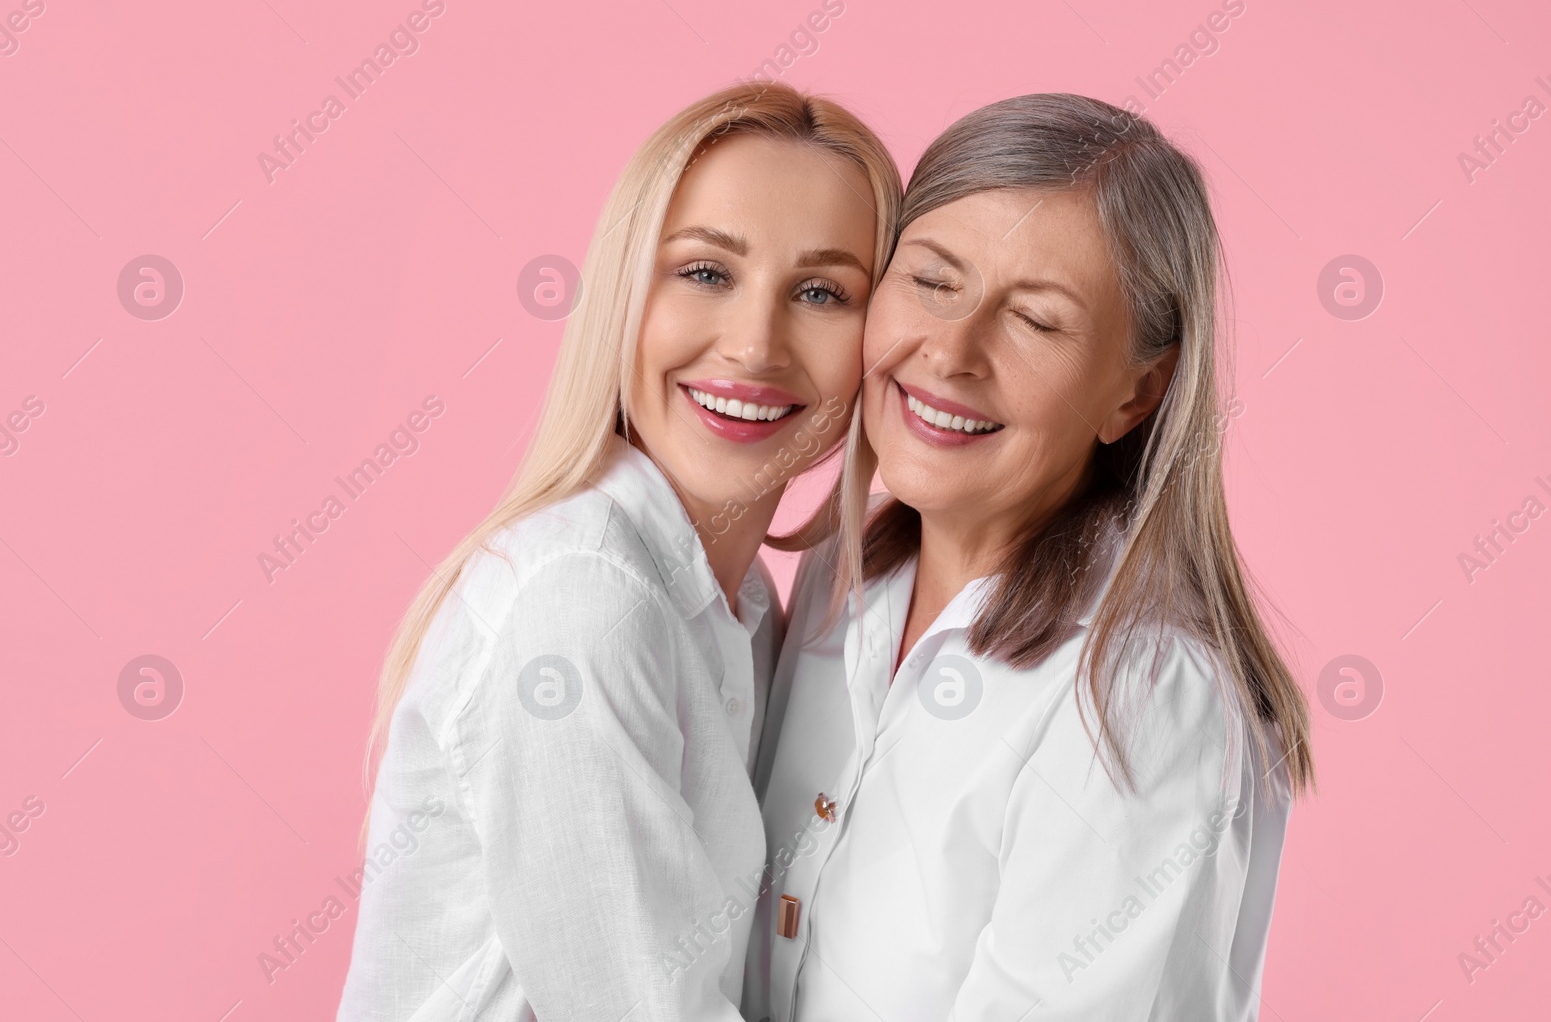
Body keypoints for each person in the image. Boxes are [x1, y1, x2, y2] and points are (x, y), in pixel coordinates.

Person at [335, 82, 901, 1022]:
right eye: (706, 273)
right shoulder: (585, 599)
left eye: (820, 292)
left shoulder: (749, 604)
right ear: (625, 293)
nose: (755, 344)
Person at [745, 93, 1314, 1022]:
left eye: (1037, 321)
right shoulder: (842, 580)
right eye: (932, 282)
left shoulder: (1136, 689)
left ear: (1135, 394)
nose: (953, 353)